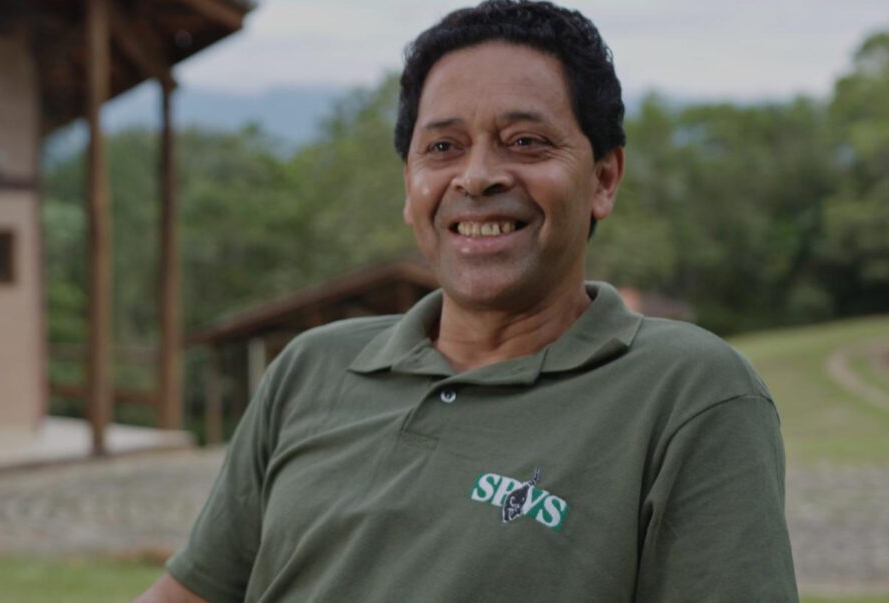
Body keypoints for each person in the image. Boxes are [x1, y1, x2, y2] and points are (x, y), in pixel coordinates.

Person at [136, 1, 798, 601]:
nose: (477, 177)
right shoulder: (312, 367)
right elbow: (189, 595)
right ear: (409, 185)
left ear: (603, 178)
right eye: (444, 147)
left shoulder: (690, 393)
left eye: (526, 142)